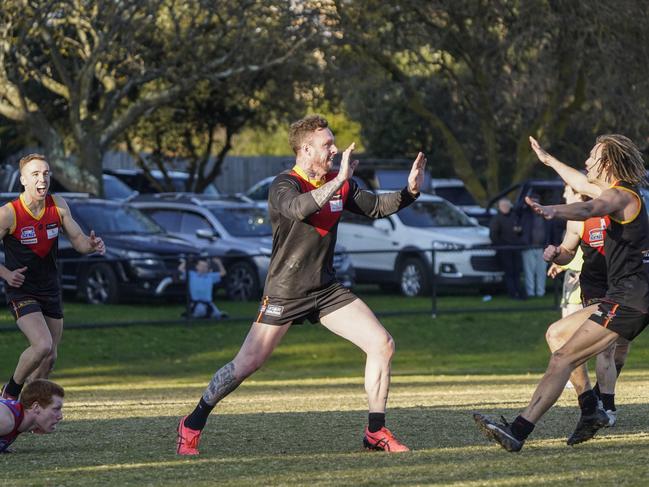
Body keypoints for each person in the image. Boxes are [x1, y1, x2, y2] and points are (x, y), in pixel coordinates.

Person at [176, 114, 426, 455]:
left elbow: (377, 207)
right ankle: (192, 423)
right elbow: (298, 208)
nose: (335, 150)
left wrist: (409, 192)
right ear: (306, 149)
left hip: (325, 290)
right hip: (285, 290)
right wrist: (338, 181)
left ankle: (375, 432)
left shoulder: (341, 184)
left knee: (382, 343)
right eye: (327, 145)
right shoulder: (284, 184)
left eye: (334, 144)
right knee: (247, 364)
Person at [473, 134, 649, 452]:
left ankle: (518, 430)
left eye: (592, 156)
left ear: (607, 163)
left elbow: (593, 206)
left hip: (630, 299)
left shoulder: (623, 197)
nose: (586, 161)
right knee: (556, 334)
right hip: (621, 295)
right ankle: (590, 409)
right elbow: (580, 181)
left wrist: (554, 210)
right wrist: (549, 160)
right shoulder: (616, 191)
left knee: (562, 358)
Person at [0, 154, 105, 401]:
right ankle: (10, 393)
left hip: (50, 288)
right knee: (42, 345)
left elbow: (78, 240)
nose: (42, 178)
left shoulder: (57, 205)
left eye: (46, 173)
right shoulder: (9, 213)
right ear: (23, 180)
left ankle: (27, 408)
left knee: (49, 357)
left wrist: (91, 245)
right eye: (35, 174)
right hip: (22, 290)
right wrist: (6, 274)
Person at [0, 379, 64, 453]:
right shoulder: (6, 421)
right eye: (56, 409)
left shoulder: (17, 420)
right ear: (36, 407)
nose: (60, 416)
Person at [489, 198, 525, 299]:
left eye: (507, 206)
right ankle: (512, 293)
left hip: (516, 248)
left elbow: (521, 231)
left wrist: (519, 231)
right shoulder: (496, 218)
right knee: (509, 272)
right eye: (503, 206)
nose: (506, 208)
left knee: (517, 272)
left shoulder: (514, 217)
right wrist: (501, 246)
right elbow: (493, 235)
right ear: (499, 207)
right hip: (504, 250)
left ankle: (520, 292)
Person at [520, 193, 548, 297]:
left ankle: (541, 292)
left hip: (542, 248)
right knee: (529, 272)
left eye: (535, 202)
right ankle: (530, 293)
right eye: (532, 202)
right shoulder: (525, 214)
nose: (533, 204)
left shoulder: (545, 214)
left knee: (541, 272)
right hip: (528, 247)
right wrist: (526, 202)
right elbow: (516, 209)